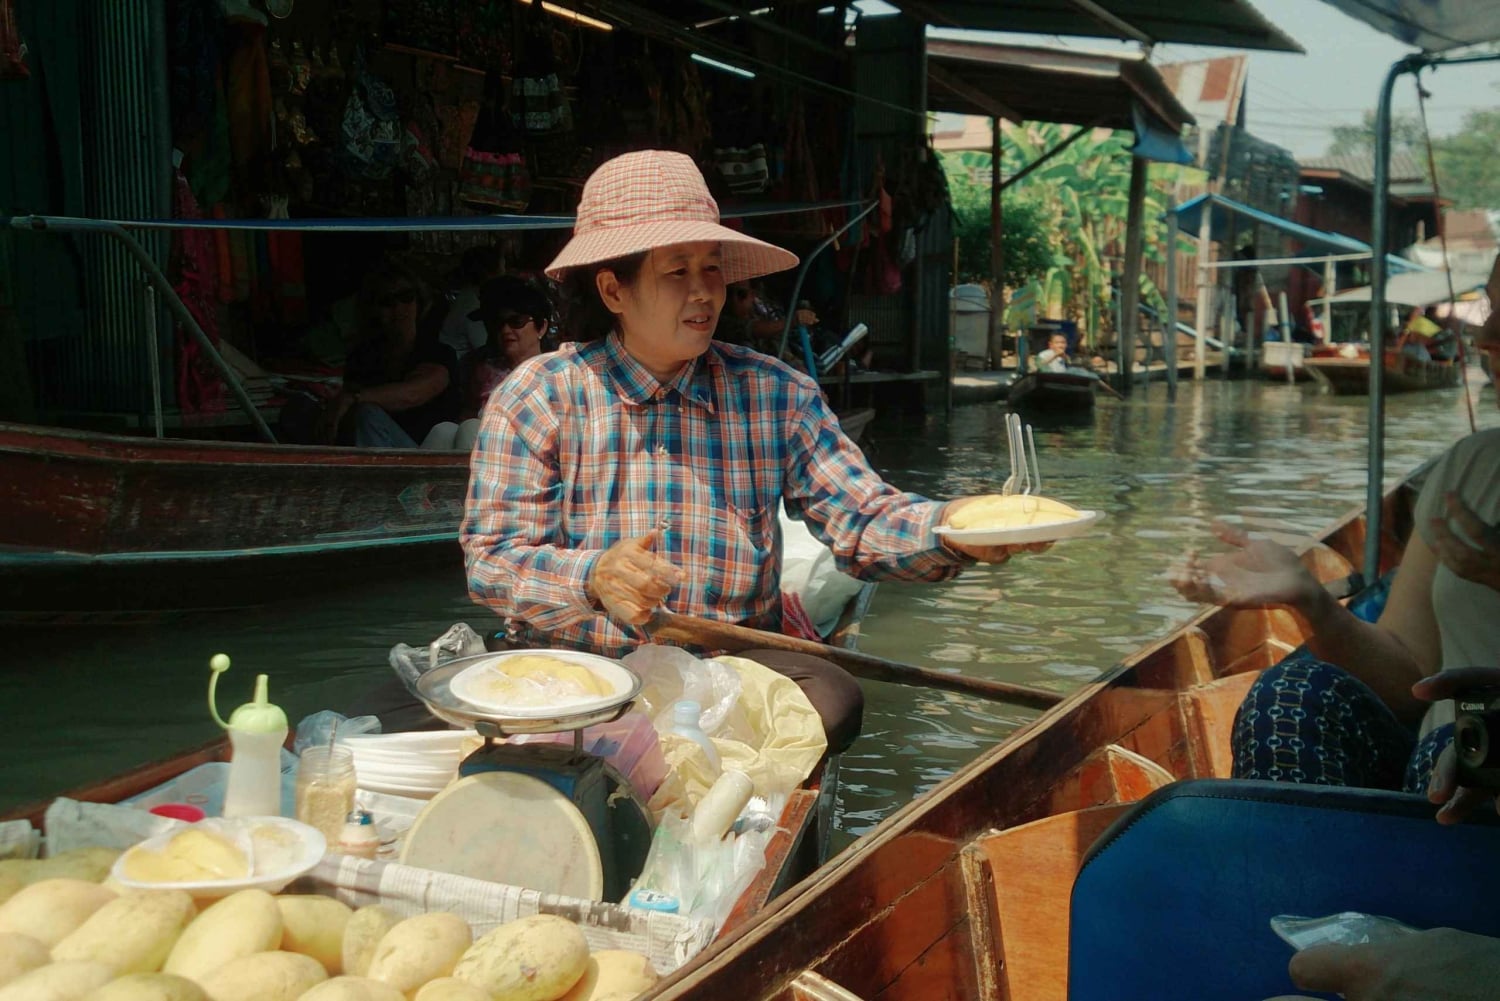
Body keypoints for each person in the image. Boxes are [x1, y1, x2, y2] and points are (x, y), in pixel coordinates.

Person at [457, 149, 1048, 753]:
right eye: (676, 272)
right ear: (613, 289)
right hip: (581, 675)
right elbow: (493, 560)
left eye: (711, 270)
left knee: (833, 700)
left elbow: (864, 520)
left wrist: (956, 529)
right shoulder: (537, 395)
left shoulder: (775, 392)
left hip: (730, 671)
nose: (703, 294)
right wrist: (594, 577)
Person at [1169, 283, 1500, 796]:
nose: (1486, 335)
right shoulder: (1473, 467)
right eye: (1493, 308)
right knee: (1289, 695)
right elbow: (1411, 677)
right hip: (1441, 773)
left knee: (1465, 747)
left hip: (1471, 766)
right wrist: (1311, 601)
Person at [320, 260, 462, 449]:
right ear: (373, 309)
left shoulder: (437, 352)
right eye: (387, 301)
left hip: (428, 454)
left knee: (367, 413)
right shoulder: (363, 357)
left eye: (406, 297)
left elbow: (415, 392)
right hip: (376, 445)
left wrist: (355, 397)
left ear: (418, 301)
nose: (399, 307)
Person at [438, 245, 504, 366]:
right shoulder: (472, 306)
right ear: (491, 273)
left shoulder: (468, 296)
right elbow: (487, 352)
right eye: (503, 267)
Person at [714, 280, 816, 357]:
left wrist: (794, 363)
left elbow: (779, 344)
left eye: (741, 294)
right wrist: (793, 320)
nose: (734, 300)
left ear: (752, 295)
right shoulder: (720, 320)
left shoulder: (764, 313)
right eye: (728, 293)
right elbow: (755, 329)